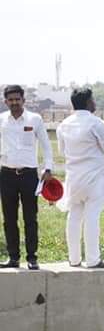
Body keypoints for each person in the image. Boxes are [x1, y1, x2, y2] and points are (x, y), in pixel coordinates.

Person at [57, 88, 104, 269]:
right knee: (92, 218)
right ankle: (93, 259)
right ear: (88, 102)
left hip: (74, 178)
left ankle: (74, 259)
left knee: (74, 217)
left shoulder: (63, 125)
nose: (95, 102)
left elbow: (62, 151)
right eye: (93, 99)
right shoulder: (96, 123)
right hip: (94, 179)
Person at [0, 85, 54, 270]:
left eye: (17, 99)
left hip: (29, 175)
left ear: (24, 100)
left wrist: (48, 168)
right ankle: (13, 257)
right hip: (6, 175)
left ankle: (32, 258)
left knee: (30, 218)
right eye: (10, 100)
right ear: (5, 101)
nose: (14, 102)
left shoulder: (34, 119)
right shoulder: (1, 120)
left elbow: (46, 146)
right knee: (9, 218)